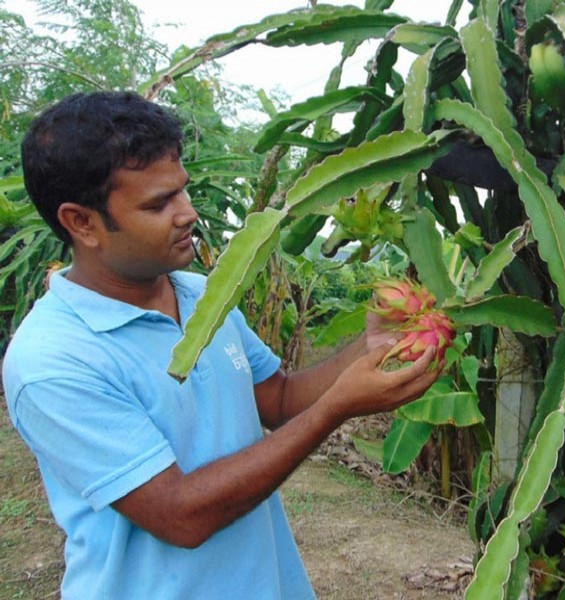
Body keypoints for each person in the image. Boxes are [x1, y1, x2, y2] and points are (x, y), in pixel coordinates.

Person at [2, 91, 441, 599]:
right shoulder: (51, 361)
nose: (187, 213)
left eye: (182, 191)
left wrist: (367, 346)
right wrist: (338, 409)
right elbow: (180, 514)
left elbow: (277, 399)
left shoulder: (202, 293)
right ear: (82, 222)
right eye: (158, 203)